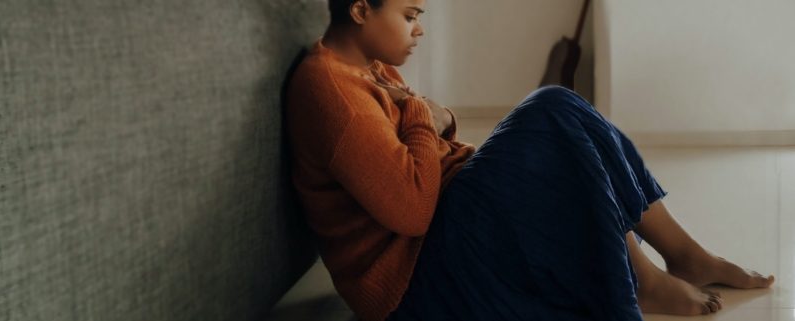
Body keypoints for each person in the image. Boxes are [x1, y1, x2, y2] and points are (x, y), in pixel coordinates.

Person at [284, 0, 775, 320]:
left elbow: (426, 137)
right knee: (550, 111)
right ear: (361, 9)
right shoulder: (332, 91)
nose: (419, 31)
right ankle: (641, 279)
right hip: (412, 283)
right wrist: (417, 111)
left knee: (556, 110)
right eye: (410, 15)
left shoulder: (367, 65)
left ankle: (684, 256)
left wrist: (440, 119)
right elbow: (411, 210)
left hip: (438, 233)